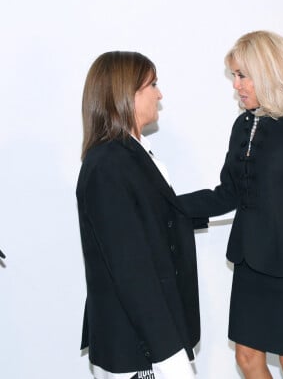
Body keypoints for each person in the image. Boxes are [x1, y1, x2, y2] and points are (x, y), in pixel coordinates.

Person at [180, 31, 283, 379]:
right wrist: (168, 205)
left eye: (242, 76)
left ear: (269, 73)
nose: (236, 86)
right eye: (234, 76)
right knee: (247, 358)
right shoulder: (243, 125)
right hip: (251, 260)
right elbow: (227, 193)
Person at [77, 51, 205, 379]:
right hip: (139, 350)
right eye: (153, 85)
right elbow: (131, 271)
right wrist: (170, 357)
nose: (159, 94)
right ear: (127, 95)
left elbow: (159, 221)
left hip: (151, 343)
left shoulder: (133, 153)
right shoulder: (108, 166)